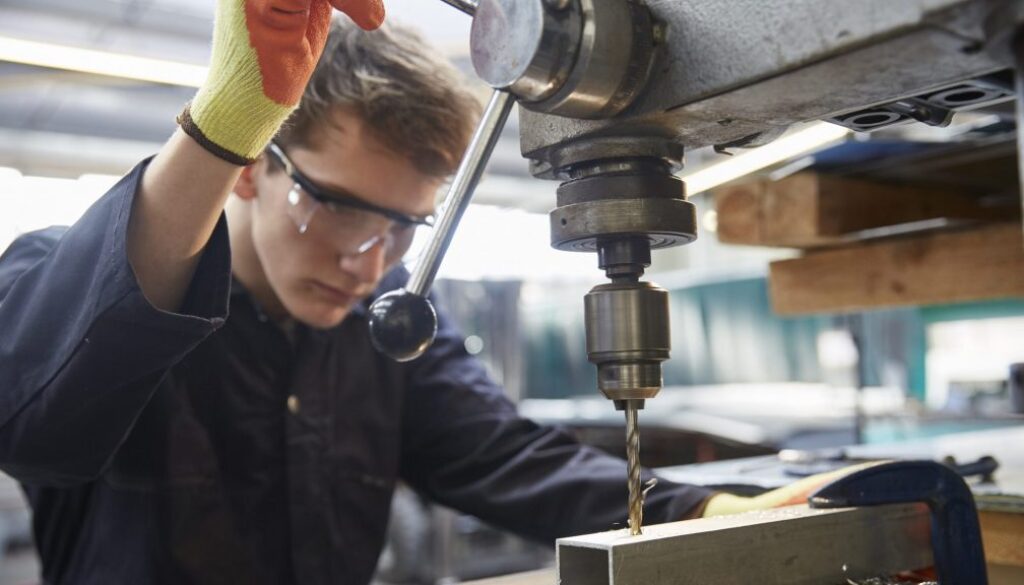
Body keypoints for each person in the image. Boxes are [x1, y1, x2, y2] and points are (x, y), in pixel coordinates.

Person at [0, 2, 858, 584]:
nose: (371, 261)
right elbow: (32, 418)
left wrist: (705, 508)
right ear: (254, 165)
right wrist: (220, 123)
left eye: (405, 226)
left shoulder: (384, 331)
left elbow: (505, 456)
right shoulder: (68, 281)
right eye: (338, 208)